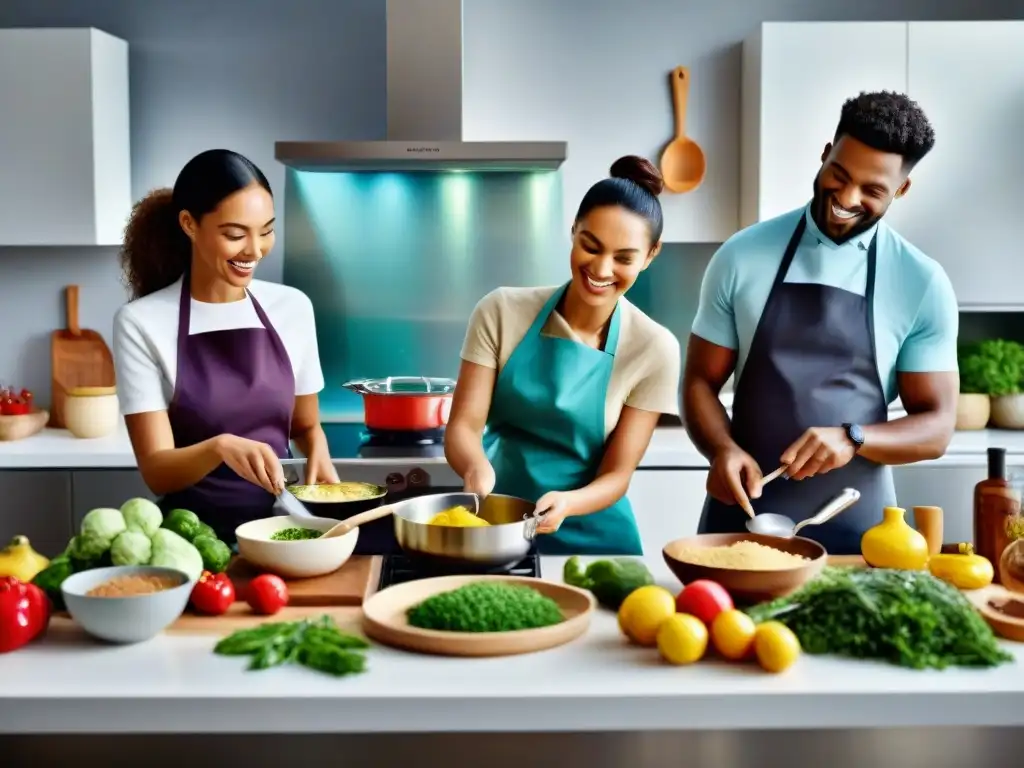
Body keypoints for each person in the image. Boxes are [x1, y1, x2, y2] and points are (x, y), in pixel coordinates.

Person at [683, 91, 959, 554]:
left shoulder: (920, 281)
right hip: (740, 527)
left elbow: (937, 426)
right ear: (826, 152)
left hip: (861, 534)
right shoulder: (741, 256)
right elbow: (698, 382)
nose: (846, 199)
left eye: (873, 190)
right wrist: (721, 450)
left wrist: (855, 438)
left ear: (901, 190)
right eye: (839, 173)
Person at [445, 156, 682, 555]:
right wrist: (475, 467)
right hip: (500, 525)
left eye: (624, 258)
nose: (601, 269)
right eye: (590, 246)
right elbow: (464, 427)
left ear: (651, 254)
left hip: (597, 540)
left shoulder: (654, 348)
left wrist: (570, 503)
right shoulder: (501, 311)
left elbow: (617, 474)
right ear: (573, 230)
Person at [112, 149, 338, 543]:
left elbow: (305, 425)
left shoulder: (293, 308)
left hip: (280, 530)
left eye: (266, 230)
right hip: (192, 542)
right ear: (189, 224)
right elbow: (156, 470)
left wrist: (318, 449)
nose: (254, 250)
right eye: (235, 234)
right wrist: (219, 447)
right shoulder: (141, 322)